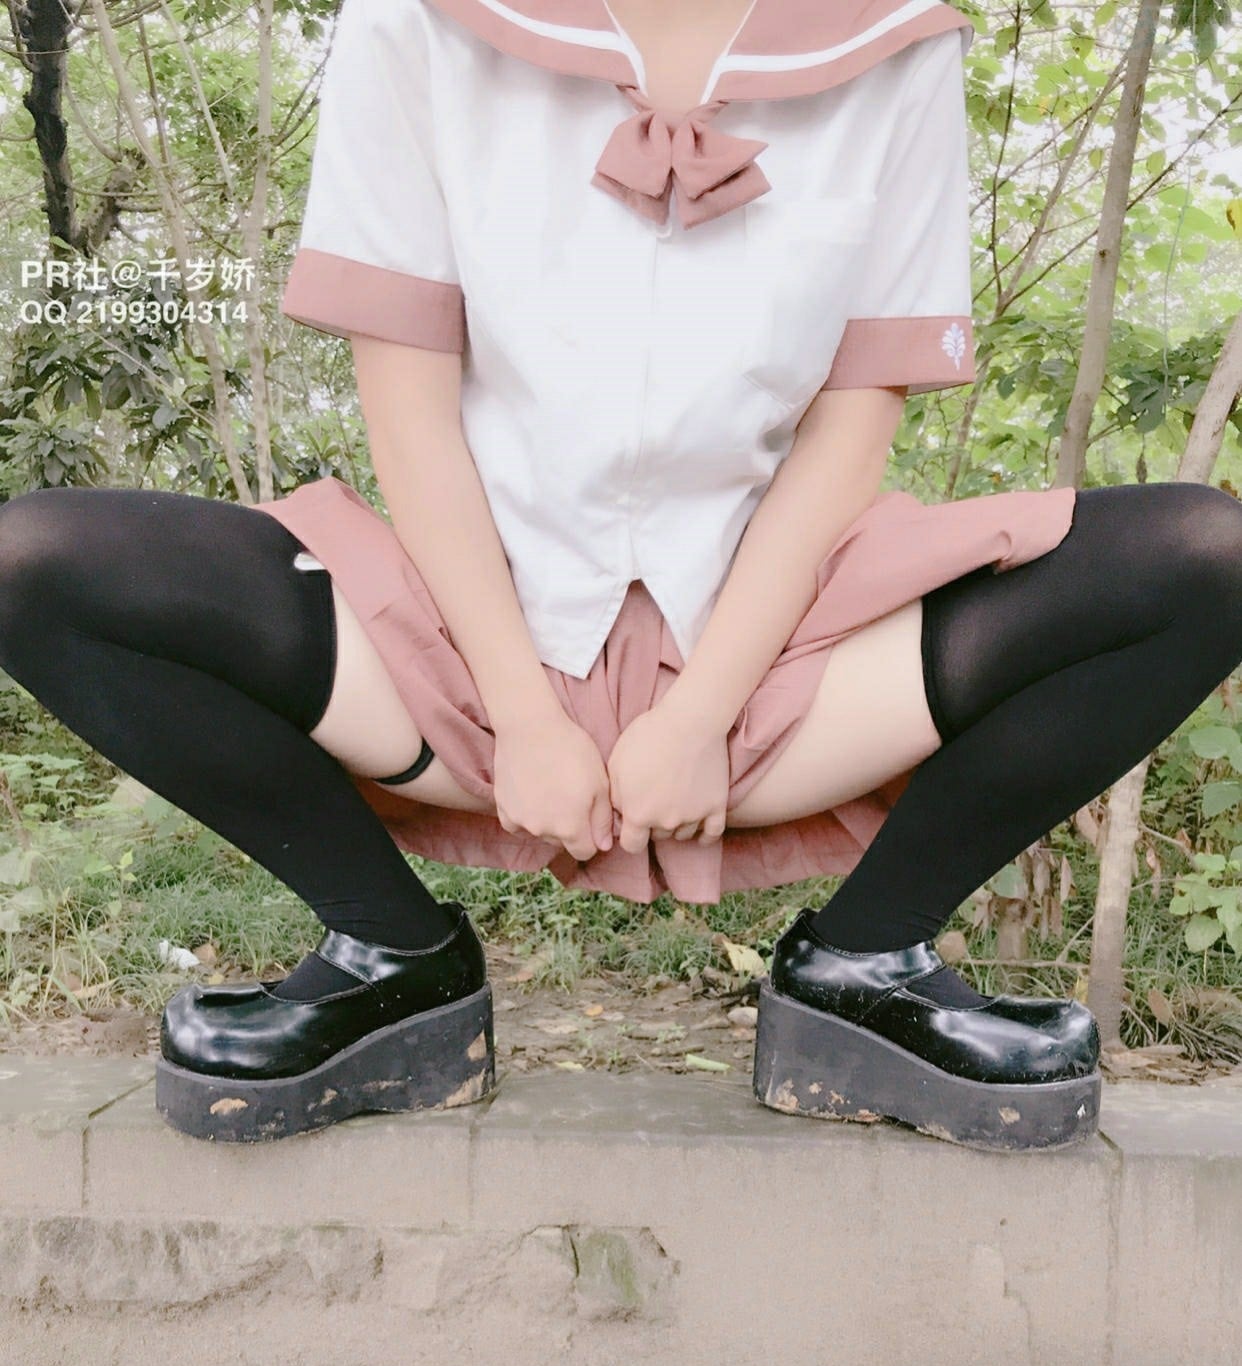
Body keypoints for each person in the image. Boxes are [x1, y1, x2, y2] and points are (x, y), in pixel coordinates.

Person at [0, 0, 1238, 1148]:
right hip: (447, 644)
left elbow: (850, 429)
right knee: (32, 564)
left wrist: (700, 717)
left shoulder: (896, 42)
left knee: (1204, 558)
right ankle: (391, 960)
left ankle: (865, 968)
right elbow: (410, 409)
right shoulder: (413, 20)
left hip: (784, 664)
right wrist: (525, 714)